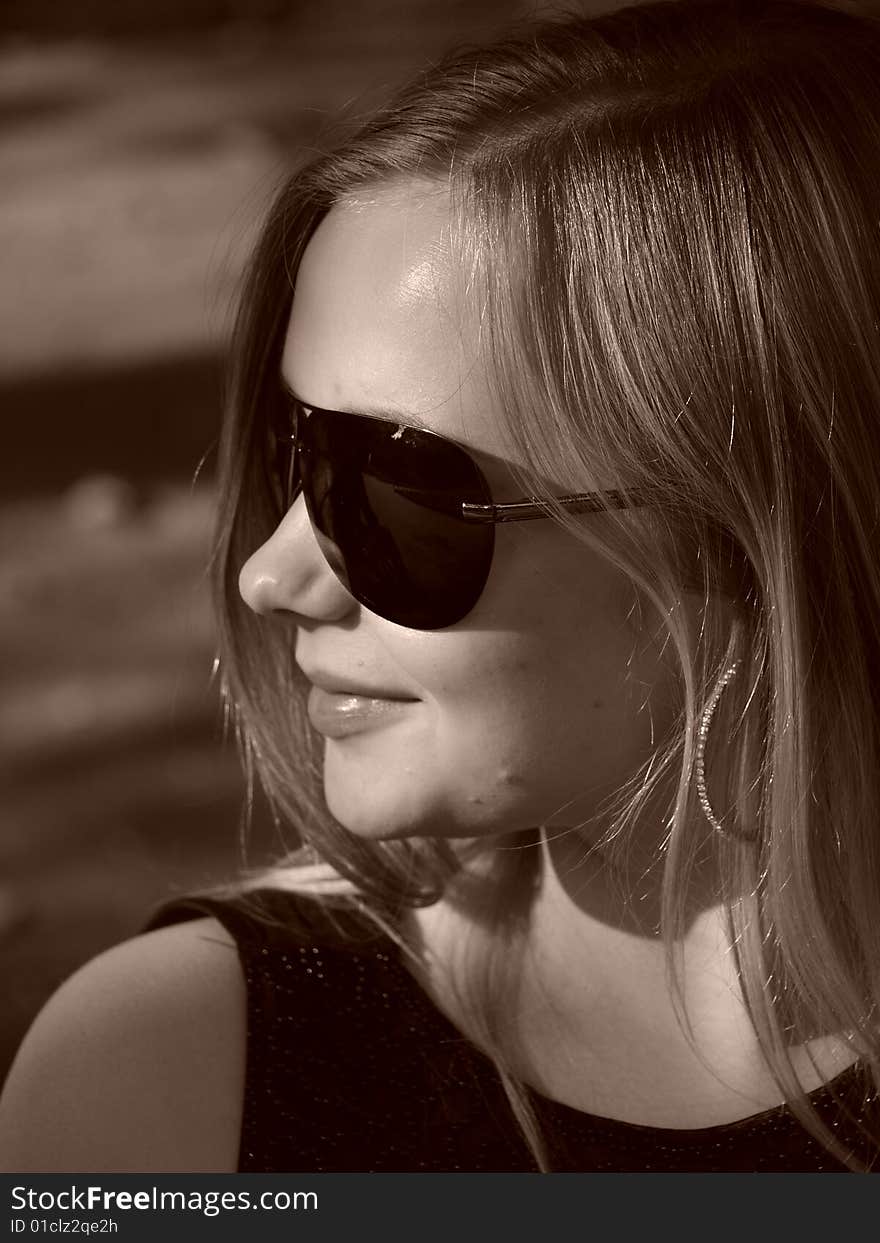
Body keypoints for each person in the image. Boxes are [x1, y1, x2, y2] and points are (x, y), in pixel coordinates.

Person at [2, 0, 880, 1174]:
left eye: (395, 488)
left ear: (759, 534)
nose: (273, 574)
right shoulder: (176, 1077)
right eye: (292, 449)